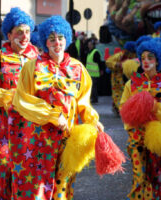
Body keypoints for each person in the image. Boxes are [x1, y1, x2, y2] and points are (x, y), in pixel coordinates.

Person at [10, 15, 103, 200]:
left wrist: (93, 120)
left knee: (62, 188)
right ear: (45, 41)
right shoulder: (32, 67)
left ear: (67, 39)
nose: (57, 42)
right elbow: (22, 99)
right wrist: (52, 115)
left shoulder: (77, 68)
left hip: (68, 138)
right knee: (39, 187)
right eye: (52, 38)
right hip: (39, 139)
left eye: (60, 37)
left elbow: (83, 101)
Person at [0, 7, 38, 200]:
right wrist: (10, 97)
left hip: (31, 127)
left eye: (27, 31)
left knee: (29, 172)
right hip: (4, 129)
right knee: (4, 168)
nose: (24, 36)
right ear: (9, 34)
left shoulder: (38, 59)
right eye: (19, 31)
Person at [120, 40, 161, 200]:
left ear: (158, 60)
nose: (145, 61)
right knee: (139, 178)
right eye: (143, 57)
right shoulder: (132, 84)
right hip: (136, 139)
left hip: (157, 140)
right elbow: (123, 109)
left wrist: (155, 107)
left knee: (153, 179)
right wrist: (133, 121)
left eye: (150, 57)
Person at [106, 41, 136, 115]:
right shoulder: (119, 55)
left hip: (128, 79)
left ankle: (120, 109)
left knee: (126, 94)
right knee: (118, 94)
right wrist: (117, 65)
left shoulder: (134, 57)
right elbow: (108, 62)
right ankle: (121, 109)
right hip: (117, 79)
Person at [85, 38, 105, 103]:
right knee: (91, 86)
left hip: (95, 73)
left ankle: (95, 99)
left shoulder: (95, 52)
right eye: (88, 44)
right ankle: (93, 98)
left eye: (90, 44)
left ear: (93, 45)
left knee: (94, 87)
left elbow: (99, 62)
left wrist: (101, 70)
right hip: (90, 73)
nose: (89, 46)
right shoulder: (89, 52)